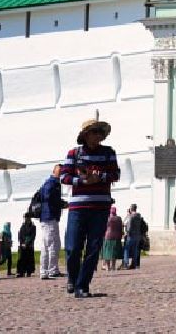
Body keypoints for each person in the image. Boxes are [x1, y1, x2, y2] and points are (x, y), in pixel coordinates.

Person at [60, 116, 120, 299]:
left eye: (100, 132)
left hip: (100, 206)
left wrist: (100, 177)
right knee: (72, 247)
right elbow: (63, 177)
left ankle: (82, 285)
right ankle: (73, 277)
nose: (99, 135)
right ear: (86, 135)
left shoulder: (109, 153)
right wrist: (82, 180)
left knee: (93, 248)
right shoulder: (74, 154)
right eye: (95, 132)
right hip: (78, 207)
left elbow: (115, 174)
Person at [35, 164, 64, 280]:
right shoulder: (51, 183)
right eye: (60, 172)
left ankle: (50, 269)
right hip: (49, 217)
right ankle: (49, 270)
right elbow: (48, 198)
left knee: (53, 243)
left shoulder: (52, 183)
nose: (61, 174)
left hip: (50, 217)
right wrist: (60, 203)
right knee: (51, 244)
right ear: (55, 172)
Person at [124, 205, 147, 269]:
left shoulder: (131, 217)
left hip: (131, 236)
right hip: (137, 236)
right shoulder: (139, 216)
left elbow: (128, 225)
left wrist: (127, 233)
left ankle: (126, 263)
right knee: (135, 250)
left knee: (126, 250)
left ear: (131, 209)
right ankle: (134, 264)